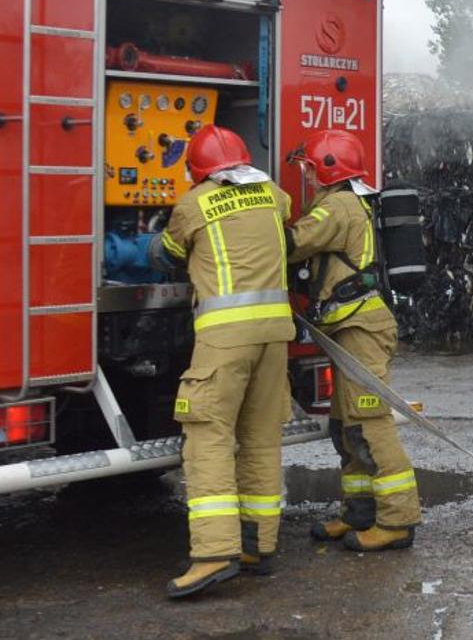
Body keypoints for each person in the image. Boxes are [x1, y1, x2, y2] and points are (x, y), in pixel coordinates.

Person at [150, 125, 296, 598]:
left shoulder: (193, 204)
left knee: (208, 438)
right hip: (275, 336)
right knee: (260, 438)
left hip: (224, 340)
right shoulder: (273, 193)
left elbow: (169, 255)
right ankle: (258, 545)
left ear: (198, 169)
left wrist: (149, 243)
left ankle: (214, 553)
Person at [285, 129, 421, 552]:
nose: (305, 176)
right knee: (346, 428)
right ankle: (360, 513)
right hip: (350, 328)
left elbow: (291, 244)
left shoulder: (337, 206)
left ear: (326, 169)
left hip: (361, 330)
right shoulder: (349, 201)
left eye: (308, 168)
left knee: (371, 425)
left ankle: (398, 521)